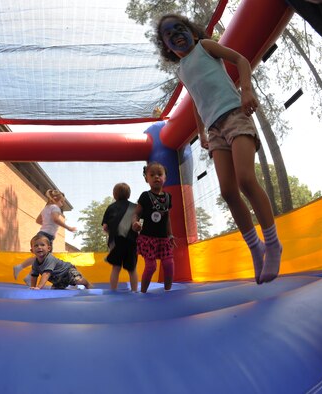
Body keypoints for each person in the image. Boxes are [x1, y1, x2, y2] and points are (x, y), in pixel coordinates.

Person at [155, 14, 282, 284]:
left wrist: (246, 90)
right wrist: (200, 131)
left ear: (192, 32)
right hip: (214, 129)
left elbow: (241, 60)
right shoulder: (182, 70)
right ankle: (255, 248)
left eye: (181, 28)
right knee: (227, 191)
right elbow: (196, 100)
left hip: (235, 114)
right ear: (166, 45)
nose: (177, 34)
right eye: (169, 33)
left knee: (246, 179)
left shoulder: (205, 47)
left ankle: (272, 243)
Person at [13, 189, 77, 284]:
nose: (62, 204)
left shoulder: (46, 208)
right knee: (45, 258)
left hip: (42, 233)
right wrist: (68, 227)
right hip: (47, 235)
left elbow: (38, 220)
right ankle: (21, 268)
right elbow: (55, 219)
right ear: (56, 199)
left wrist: (47, 222)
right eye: (62, 202)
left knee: (41, 258)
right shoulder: (55, 208)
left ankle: (27, 275)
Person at [131, 163, 176, 292]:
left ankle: (168, 291)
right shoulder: (145, 196)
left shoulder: (168, 197)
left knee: (169, 264)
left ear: (165, 178)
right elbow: (136, 213)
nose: (156, 177)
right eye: (152, 175)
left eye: (159, 174)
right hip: (148, 238)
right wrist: (135, 223)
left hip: (163, 239)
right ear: (147, 179)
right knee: (151, 267)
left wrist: (170, 235)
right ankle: (143, 292)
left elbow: (167, 218)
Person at [102, 183, 139, 292]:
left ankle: (113, 291)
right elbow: (137, 223)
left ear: (114, 194)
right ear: (129, 194)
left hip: (116, 242)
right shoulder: (134, 207)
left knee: (116, 268)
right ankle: (135, 291)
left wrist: (111, 233)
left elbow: (105, 227)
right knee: (132, 269)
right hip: (131, 242)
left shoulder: (111, 207)